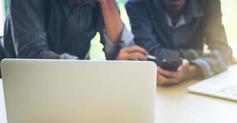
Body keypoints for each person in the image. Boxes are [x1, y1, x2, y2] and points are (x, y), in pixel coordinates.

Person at [126, 0, 235, 86]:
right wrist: (199, 56)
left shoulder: (208, 2)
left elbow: (223, 52)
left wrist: (192, 71)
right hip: (154, 88)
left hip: (193, 89)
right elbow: (148, 54)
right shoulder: (137, 4)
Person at [2, 0, 148, 61]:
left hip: (76, 82)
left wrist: (106, 2)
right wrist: (93, 72)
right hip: (22, 87)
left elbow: (122, 52)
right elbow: (32, 56)